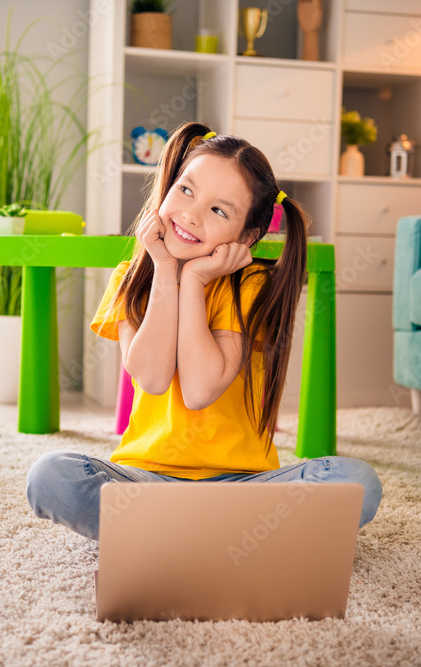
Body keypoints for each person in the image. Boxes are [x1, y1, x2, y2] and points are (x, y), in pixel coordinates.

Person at [26, 122, 382, 540]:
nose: (191, 215)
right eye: (186, 190)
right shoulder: (133, 278)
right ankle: (225, 540)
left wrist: (194, 282)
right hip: (146, 482)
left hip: (243, 488)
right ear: (170, 184)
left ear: (248, 235)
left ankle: (168, 538)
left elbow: (199, 390)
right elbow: (152, 378)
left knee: (357, 481)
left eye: (218, 210)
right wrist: (163, 269)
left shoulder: (249, 285)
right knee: (50, 476)